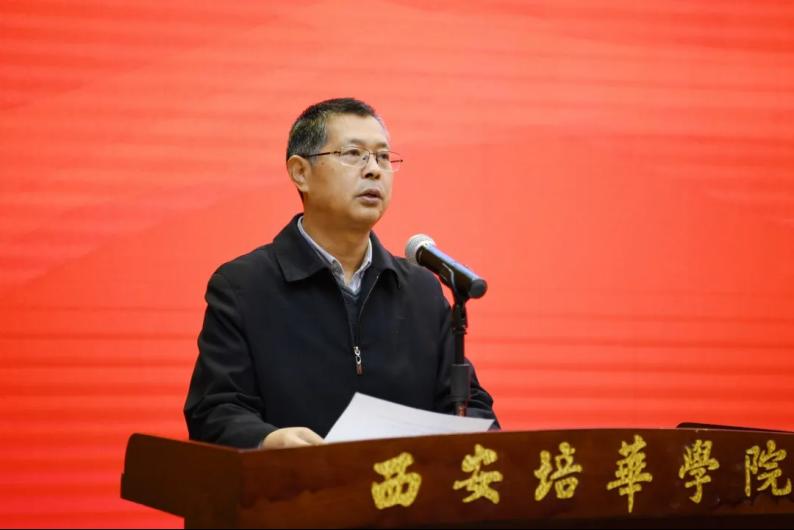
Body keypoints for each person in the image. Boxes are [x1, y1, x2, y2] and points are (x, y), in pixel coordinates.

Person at [184, 98, 498, 449]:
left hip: (402, 482)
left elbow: (470, 407)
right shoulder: (243, 287)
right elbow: (215, 411)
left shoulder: (421, 290)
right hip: (294, 481)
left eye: (383, 157)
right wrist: (269, 441)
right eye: (353, 154)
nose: (374, 169)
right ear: (300, 172)